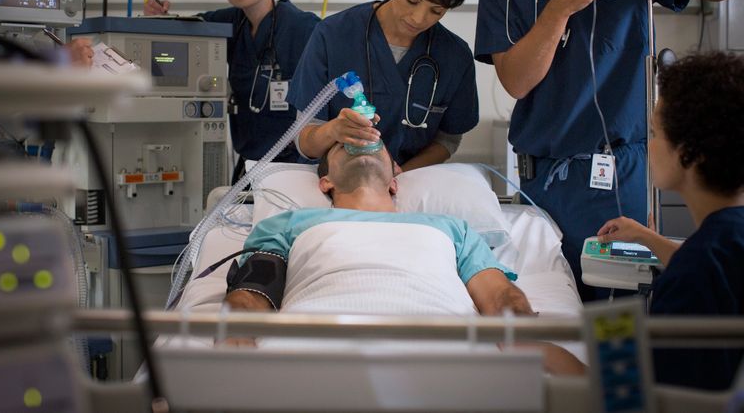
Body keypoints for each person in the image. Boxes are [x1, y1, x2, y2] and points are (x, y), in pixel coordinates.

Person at [474, 0, 739, 301]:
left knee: (623, 313)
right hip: (548, 182)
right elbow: (517, 80)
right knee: (555, 304)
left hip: (624, 175)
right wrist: (561, 6)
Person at [222, 140, 585, 374]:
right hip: (311, 353)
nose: (360, 143)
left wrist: (522, 339)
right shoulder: (290, 222)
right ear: (326, 183)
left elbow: (498, 293)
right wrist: (237, 339)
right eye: (342, 145)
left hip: (446, 355)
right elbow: (254, 290)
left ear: (395, 179)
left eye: (376, 146)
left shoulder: (450, 227)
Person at [596, 51, 744, 391]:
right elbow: (718, 271)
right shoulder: (722, 243)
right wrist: (646, 236)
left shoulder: (693, 275)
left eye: (655, 132)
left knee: (603, 336)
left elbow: (661, 399)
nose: (649, 145)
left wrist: (553, 359)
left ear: (689, 151)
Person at [287, 0, 479, 172]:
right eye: (412, 0)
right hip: (337, 185)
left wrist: (399, 175)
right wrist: (332, 130)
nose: (419, 19)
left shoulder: (454, 57)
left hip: (406, 187)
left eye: (436, 11)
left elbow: (447, 140)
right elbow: (304, 141)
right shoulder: (333, 36)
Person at [145, 0, 319, 178]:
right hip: (248, 169)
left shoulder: (304, 28)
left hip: (296, 169)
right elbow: (181, 34)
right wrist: (158, 20)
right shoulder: (225, 26)